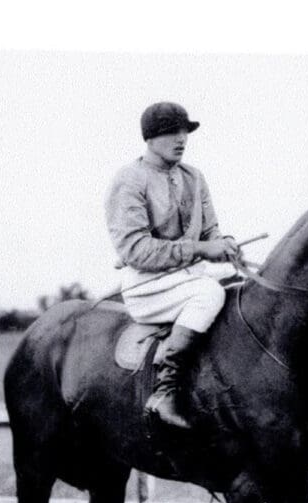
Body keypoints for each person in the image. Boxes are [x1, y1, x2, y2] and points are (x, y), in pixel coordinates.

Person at [104, 101, 240, 429]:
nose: (181, 139)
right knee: (209, 295)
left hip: (190, 277)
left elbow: (211, 231)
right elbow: (137, 250)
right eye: (171, 133)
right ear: (150, 138)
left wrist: (225, 245)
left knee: (239, 286)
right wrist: (201, 248)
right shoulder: (130, 180)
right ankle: (164, 393)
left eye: (185, 132)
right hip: (147, 285)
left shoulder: (194, 177)